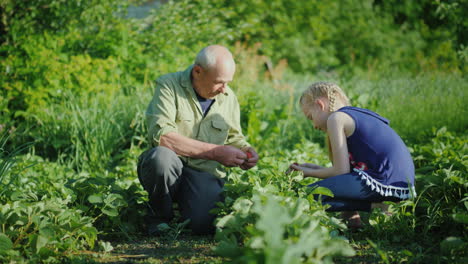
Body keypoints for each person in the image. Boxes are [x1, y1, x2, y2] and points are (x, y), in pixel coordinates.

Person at [137, 45, 259, 236]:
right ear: (198, 71)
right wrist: (216, 152)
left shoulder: (228, 97)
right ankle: (159, 217)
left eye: (228, 82)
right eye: (219, 82)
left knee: (201, 226)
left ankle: (183, 208)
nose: (224, 89)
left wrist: (245, 150)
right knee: (161, 158)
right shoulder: (169, 85)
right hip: (171, 165)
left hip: (204, 172)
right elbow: (163, 137)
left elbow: (234, 136)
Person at [288, 82, 416, 228]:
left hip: (383, 179)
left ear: (320, 104)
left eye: (310, 117)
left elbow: (340, 172)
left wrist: (307, 173)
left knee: (307, 196)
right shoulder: (356, 114)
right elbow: (346, 172)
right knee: (324, 190)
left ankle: (379, 206)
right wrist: (315, 168)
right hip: (402, 183)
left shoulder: (336, 118)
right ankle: (354, 216)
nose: (314, 126)